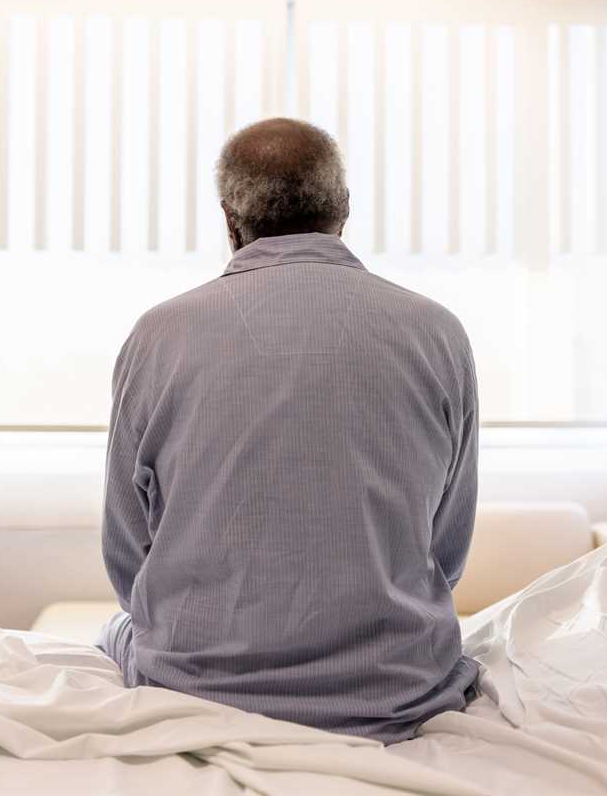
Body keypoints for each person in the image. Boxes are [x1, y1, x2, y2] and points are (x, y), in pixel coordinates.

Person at [97, 117, 479, 744]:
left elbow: (127, 555)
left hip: (196, 691)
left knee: (107, 634)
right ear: (345, 208)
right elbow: (445, 548)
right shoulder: (436, 331)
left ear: (229, 219)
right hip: (396, 693)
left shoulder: (157, 334)